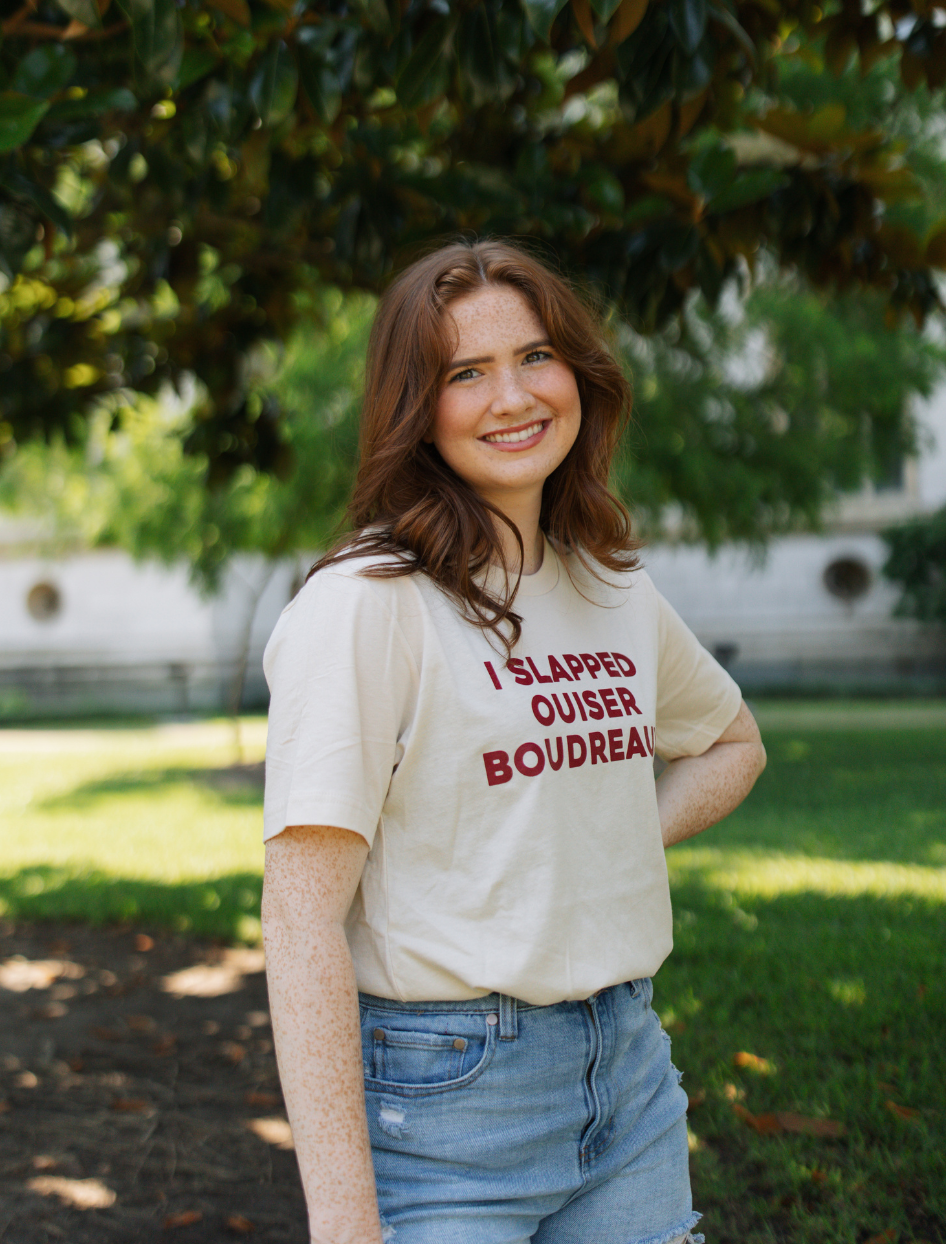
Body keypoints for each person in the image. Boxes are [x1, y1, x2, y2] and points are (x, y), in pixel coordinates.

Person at [260, 239, 767, 1244]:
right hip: (446, 1101)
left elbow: (731, 744)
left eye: (535, 357)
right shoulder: (368, 603)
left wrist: (583, 853)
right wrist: (345, 1222)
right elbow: (300, 919)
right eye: (465, 372)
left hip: (626, 1079)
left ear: (578, 373)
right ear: (416, 405)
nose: (512, 396)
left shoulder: (609, 582)